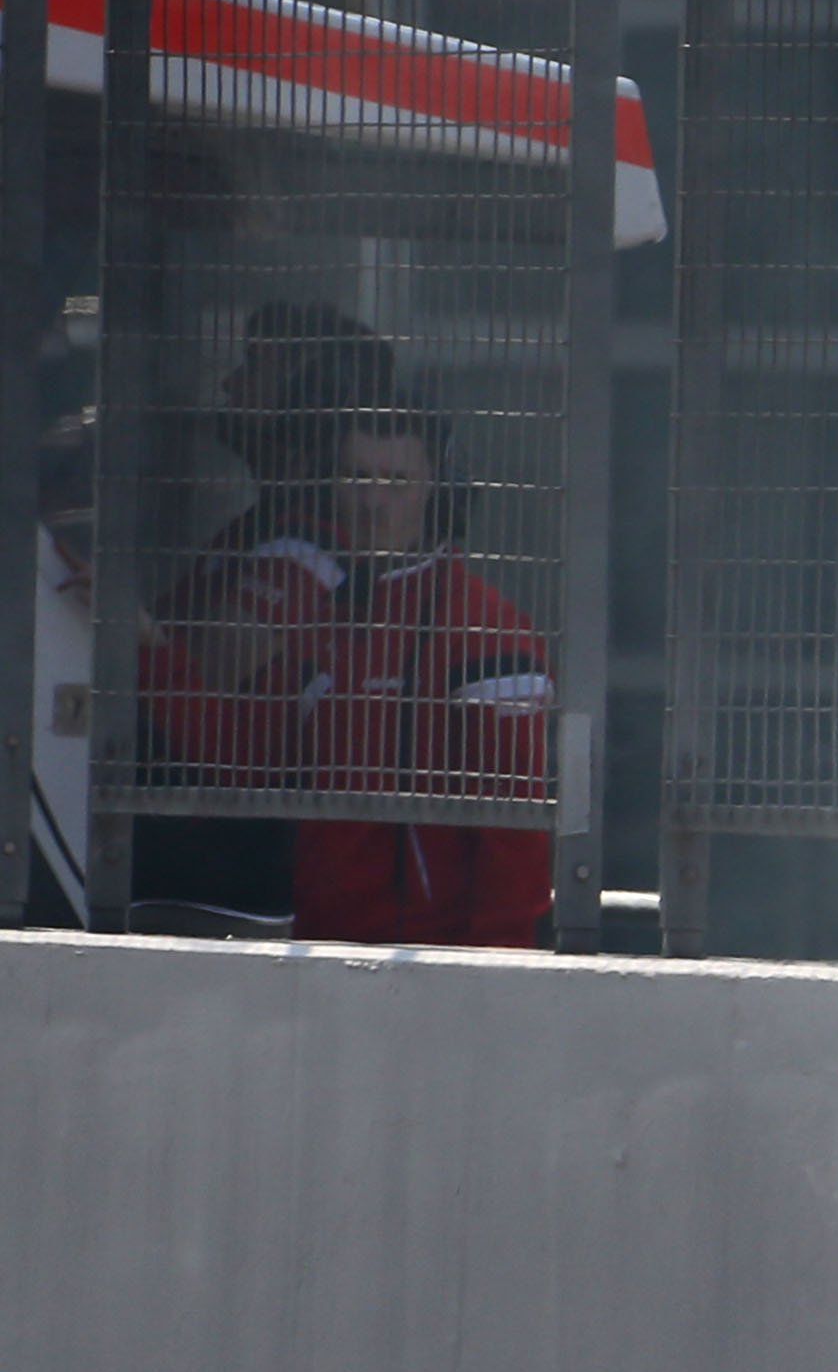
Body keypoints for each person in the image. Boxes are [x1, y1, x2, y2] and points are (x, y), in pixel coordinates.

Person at [137, 370, 557, 949]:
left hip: (428, 966)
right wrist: (143, 648)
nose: (373, 503)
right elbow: (247, 759)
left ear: (438, 487)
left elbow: (516, 834)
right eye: (357, 477)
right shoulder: (330, 616)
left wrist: (493, 982)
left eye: (396, 482)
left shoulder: (484, 628)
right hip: (320, 956)